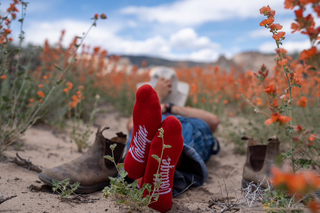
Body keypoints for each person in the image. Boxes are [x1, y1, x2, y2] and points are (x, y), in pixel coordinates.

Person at [123, 67, 220, 212]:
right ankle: (159, 170)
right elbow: (131, 124)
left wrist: (170, 107)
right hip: (173, 130)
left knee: (174, 126)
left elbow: (213, 121)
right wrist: (157, 98)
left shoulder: (185, 111)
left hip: (180, 127)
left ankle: (142, 171)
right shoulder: (145, 110)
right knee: (168, 128)